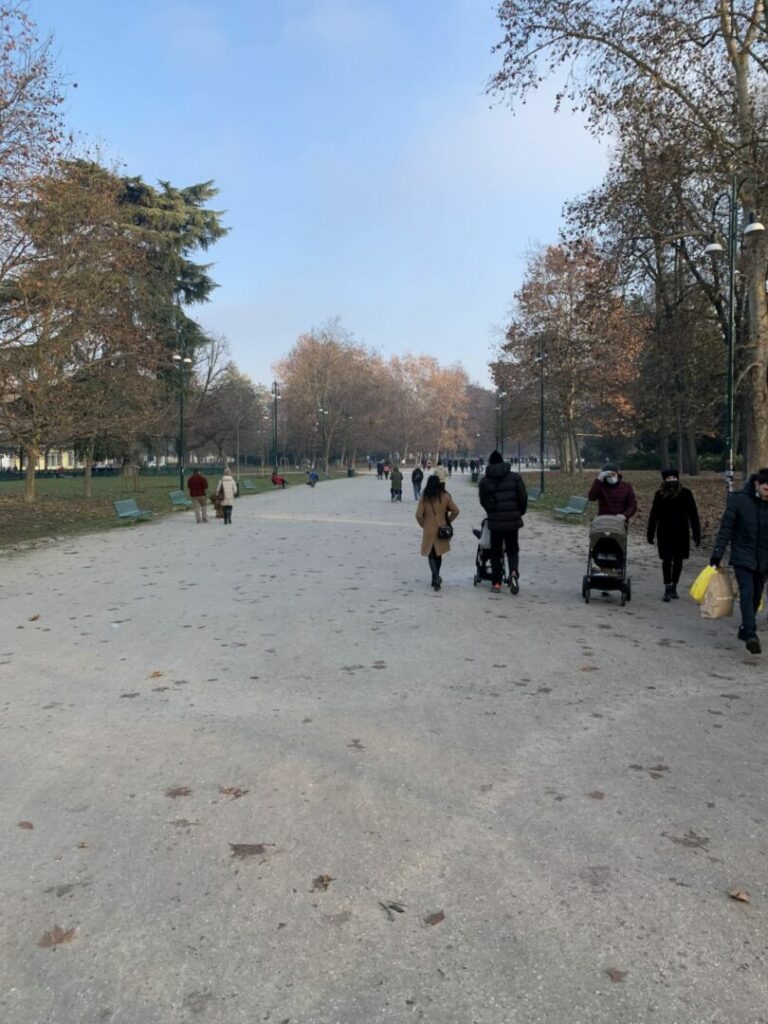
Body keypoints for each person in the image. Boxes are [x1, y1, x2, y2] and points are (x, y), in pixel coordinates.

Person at [710, 467, 768, 654]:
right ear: (757, 484)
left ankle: (744, 627)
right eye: (767, 489)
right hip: (743, 555)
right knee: (746, 592)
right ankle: (751, 633)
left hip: (764, 558)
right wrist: (717, 553)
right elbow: (726, 528)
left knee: (756, 595)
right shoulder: (739, 500)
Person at [646, 468, 701, 601]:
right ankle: (667, 586)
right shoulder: (659, 495)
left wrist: (696, 533)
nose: (672, 481)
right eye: (668, 479)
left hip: (681, 532)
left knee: (678, 560)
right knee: (666, 560)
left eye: (674, 478)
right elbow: (654, 515)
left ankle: (675, 586)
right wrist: (650, 533)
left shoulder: (686, 494)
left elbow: (693, 515)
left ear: (677, 478)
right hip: (664, 531)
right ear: (664, 480)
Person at [478, 449, 528, 594]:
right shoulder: (515, 477)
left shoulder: (485, 481)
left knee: (495, 552)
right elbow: (523, 497)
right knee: (512, 549)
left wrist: (491, 511)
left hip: (495, 522)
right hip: (512, 521)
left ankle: (497, 583)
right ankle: (513, 572)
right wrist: (520, 512)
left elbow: (483, 501)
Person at [416, 472, 460, 591]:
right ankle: (435, 577)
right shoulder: (445, 496)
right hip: (441, 529)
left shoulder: (424, 497)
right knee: (438, 554)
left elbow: (418, 514)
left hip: (429, 528)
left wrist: (423, 524)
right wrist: (447, 521)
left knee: (430, 554)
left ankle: (435, 577)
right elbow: (456, 510)